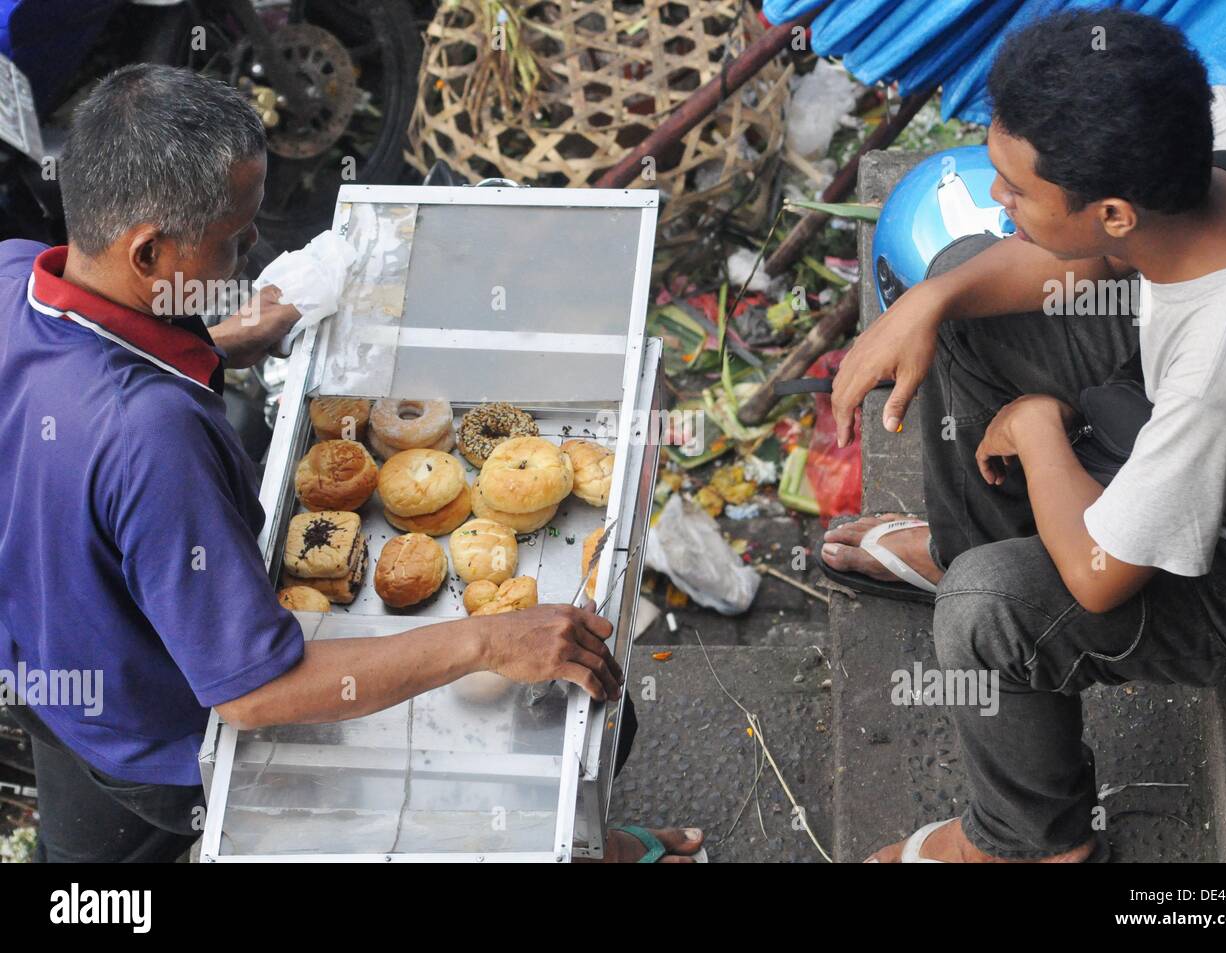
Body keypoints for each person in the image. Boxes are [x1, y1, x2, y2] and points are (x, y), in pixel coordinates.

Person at [0, 64, 702, 863]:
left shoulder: (14, 274)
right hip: (161, 737)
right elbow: (255, 692)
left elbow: (79, 406)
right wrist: (486, 641)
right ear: (150, 253)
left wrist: (217, 338)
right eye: (233, 241)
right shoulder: (152, 438)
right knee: (418, 812)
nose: (254, 251)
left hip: (49, 676)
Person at [822, 9, 1226, 862]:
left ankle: (1027, 840)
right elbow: (1085, 267)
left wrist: (1040, 432)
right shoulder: (1219, 123)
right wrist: (930, 303)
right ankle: (977, 542)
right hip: (1206, 393)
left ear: (1114, 210)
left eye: (1016, 190)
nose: (996, 199)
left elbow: (1101, 579)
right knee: (960, 295)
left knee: (986, 607)